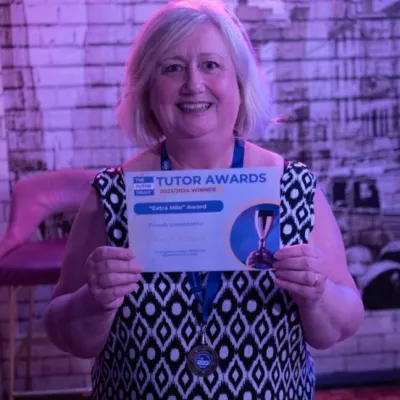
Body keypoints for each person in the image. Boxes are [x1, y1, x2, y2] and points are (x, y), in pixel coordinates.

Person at [43, 0, 365, 398]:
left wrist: (318, 294)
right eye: (172, 67)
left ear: (239, 81)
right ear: (148, 87)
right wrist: (94, 300)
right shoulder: (112, 193)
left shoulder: (292, 186)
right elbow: (64, 331)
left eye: (211, 65)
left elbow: (345, 321)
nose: (193, 84)